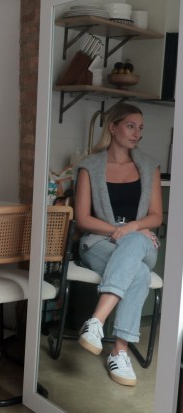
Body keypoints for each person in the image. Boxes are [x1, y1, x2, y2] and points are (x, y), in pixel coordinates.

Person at [74, 103, 162, 387]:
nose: (137, 133)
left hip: (143, 242)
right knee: (138, 275)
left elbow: (156, 216)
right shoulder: (90, 166)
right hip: (99, 241)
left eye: (140, 128)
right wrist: (119, 230)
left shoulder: (149, 167)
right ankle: (119, 351)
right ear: (112, 126)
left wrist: (132, 229)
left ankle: (96, 321)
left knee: (136, 242)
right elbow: (83, 219)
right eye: (131, 126)